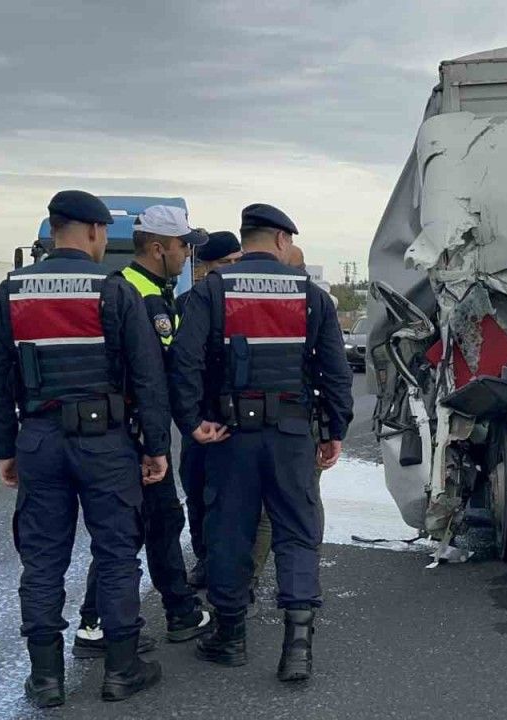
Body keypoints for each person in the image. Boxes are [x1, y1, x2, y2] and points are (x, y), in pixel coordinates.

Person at [0, 190, 168, 707]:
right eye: (103, 234)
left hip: (40, 439)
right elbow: (147, 376)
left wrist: (5, 447)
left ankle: (45, 680)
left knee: (42, 560)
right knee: (116, 553)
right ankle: (122, 670)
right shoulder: (114, 290)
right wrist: (155, 446)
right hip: (106, 443)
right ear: (93, 231)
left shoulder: (9, 292)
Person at [170, 203, 353, 681]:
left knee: (229, 532)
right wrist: (333, 431)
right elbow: (335, 371)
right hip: (292, 435)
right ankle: (298, 647)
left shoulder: (212, 290)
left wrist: (192, 422)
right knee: (297, 533)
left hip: (230, 436)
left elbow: (184, 362)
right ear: (281, 239)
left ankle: (230, 638)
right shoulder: (311, 296)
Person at [73, 206, 213, 658]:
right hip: (133, 431)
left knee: (156, 521)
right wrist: (176, 430)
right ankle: (98, 622)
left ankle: (176, 610)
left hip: (132, 427)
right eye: (183, 246)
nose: (188, 254)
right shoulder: (140, 294)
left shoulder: (153, 289)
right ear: (158, 248)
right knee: (134, 526)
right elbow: (160, 372)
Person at [249, 243, 326, 602]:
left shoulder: (263, 303)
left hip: (272, 424)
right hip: (301, 425)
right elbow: (333, 371)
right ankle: (301, 589)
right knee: (303, 506)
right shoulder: (315, 302)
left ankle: (249, 584)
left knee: (269, 512)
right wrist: (333, 428)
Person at [179, 229, 243, 589]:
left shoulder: (245, 302)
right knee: (197, 493)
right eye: (225, 262)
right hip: (199, 417)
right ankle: (205, 559)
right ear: (205, 266)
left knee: (234, 499)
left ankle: (232, 569)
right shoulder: (186, 303)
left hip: (236, 417)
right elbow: (179, 364)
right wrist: (190, 418)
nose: (233, 268)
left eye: (237, 260)